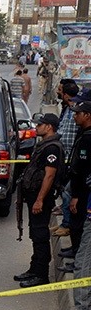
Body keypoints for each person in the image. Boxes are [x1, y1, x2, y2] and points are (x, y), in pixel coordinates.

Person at [13, 113, 63, 288]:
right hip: (35, 195)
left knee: (40, 235)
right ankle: (34, 269)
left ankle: (41, 275)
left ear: (49, 127)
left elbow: (49, 176)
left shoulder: (52, 148)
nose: (37, 127)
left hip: (42, 197)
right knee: (35, 233)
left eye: (40, 124)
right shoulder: (44, 145)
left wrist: (40, 200)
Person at [64, 99, 91, 269]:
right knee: (75, 224)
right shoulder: (82, 132)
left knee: (79, 225)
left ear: (87, 115)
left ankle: (79, 263)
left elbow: (83, 170)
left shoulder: (89, 138)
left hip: (83, 192)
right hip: (78, 188)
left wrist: (76, 196)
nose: (74, 116)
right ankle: (75, 254)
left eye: (78, 114)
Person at [54, 81, 81, 238]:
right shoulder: (66, 109)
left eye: (59, 90)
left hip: (71, 158)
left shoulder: (75, 111)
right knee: (64, 191)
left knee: (68, 193)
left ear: (65, 93)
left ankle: (67, 225)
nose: (57, 92)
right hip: (64, 157)